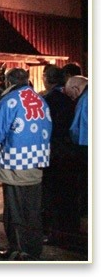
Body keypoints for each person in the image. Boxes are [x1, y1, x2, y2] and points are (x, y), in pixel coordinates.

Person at [0, 68, 52, 260]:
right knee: (33, 208)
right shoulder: (40, 100)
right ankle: (34, 248)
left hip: (15, 162)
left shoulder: (9, 101)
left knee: (15, 209)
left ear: (9, 82)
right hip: (38, 160)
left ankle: (19, 249)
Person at [41, 66, 78, 242]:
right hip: (71, 151)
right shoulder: (70, 98)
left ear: (46, 79)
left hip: (53, 152)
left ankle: (55, 233)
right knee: (69, 194)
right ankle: (71, 230)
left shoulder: (46, 100)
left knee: (53, 195)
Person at [64, 75, 89, 218]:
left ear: (76, 88)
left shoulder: (85, 100)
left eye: (71, 95)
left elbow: (77, 130)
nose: (72, 99)